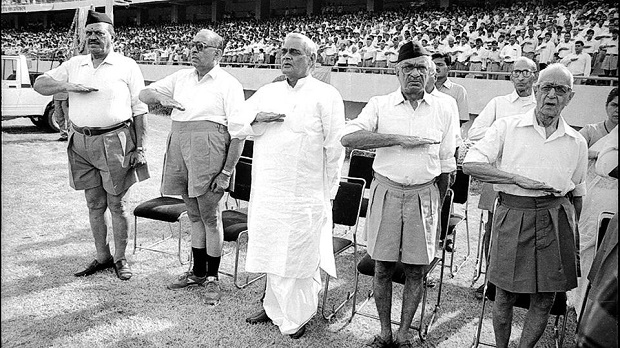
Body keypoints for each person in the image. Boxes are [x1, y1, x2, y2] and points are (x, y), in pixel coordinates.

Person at [341, 41, 458, 348]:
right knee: (381, 267)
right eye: (408, 68)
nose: (414, 74)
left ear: (431, 72)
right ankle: (384, 332)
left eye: (421, 67)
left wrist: (437, 202)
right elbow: (348, 137)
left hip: (425, 195)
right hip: (387, 192)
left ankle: (404, 334)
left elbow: (447, 164)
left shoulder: (446, 107)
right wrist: (396, 139)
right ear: (397, 72)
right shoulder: (380, 104)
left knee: (417, 270)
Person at [463, 63, 588, 348]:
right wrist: (516, 179)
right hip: (512, 213)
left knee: (544, 298)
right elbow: (471, 164)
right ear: (535, 90)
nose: (552, 95)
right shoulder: (507, 126)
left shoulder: (576, 142)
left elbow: (577, 191)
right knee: (504, 294)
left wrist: (567, 229)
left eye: (561, 89)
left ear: (570, 97)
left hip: (555, 219)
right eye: (546, 87)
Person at [240, 33, 345, 339]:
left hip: (306, 193)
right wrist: (257, 118)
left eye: (295, 52)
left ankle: (296, 316)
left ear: (312, 60)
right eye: (283, 51)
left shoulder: (327, 95)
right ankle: (273, 306)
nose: (285, 56)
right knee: (272, 248)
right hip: (269, 188)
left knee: (299, 254)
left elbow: (334, 148)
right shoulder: (267, 91)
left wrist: (328, 193)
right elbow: (236, 122)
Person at [33, 10, 149, 281]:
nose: (93, 38)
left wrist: (140, 148)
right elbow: (40, 84)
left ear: (112, 36)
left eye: (99, 33)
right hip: (81, 141)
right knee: (94, 203)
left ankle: (121, 259)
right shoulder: (75, 63)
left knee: (118, 204)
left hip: (115, 140)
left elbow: (140, 109)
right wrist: (68, 84)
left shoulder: (127, 65)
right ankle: (102, 256)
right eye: (89, 34)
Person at [139, 29, 245, 305]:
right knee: (193, 215)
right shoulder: (181, 77)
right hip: (181, 148)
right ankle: (197, 273)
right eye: (192, 45)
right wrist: (160, 99)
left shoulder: (228, 84)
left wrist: (225, 173)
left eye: (201, 46)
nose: (193, 50)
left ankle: (213, 277)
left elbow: (238, 133)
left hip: (209, 150)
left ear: (217, 53)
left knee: (210, 217)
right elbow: (143, 93)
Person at [467, 56, 539, 299]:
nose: (520, 77)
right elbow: (475, 131)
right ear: (511, 76)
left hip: (530, 176)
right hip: (499, 174)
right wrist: (504, 135)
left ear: (534, 75)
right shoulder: (499, 103)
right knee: (494, 230)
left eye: (525, 72)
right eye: (516, 72)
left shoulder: (541, 104)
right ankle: (491, 281)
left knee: (529, 231)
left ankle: (519, 284)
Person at [568, 88, 618, 317]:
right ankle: (579, 305)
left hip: (614, 200)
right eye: (614, 105)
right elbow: (574, 153)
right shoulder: (591, 130)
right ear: (607, 105)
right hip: (592, 196)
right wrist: (600, 153)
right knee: (587, 249)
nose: (617, 110)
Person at [432, 53, 470, 125]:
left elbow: (461, 119)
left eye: (440, 65)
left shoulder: (459, 90)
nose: (436, 68)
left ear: (449, 68)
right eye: (433, 65)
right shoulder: (424, 89)